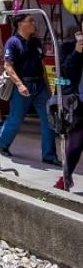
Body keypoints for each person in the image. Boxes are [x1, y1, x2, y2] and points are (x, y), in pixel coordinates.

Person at [0, 15, 59, 165]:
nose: (33, 23)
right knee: (16, 118)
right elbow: (8, 66)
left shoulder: (36, 42)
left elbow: (42, 66)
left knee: (49, 119)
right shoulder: (13, 42)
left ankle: (49, 155)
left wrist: (48, 88)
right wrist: (19, 84)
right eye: (30, 20)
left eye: (33, 20)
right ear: (20, 24)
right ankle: (2, 144)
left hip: (40, 86)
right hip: (23, 84)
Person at [54, 29, 83, 190]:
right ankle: (65, 178)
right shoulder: (67, 47)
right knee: (75, 144)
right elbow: (64, 72)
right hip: (77, 103)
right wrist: (77, 53)